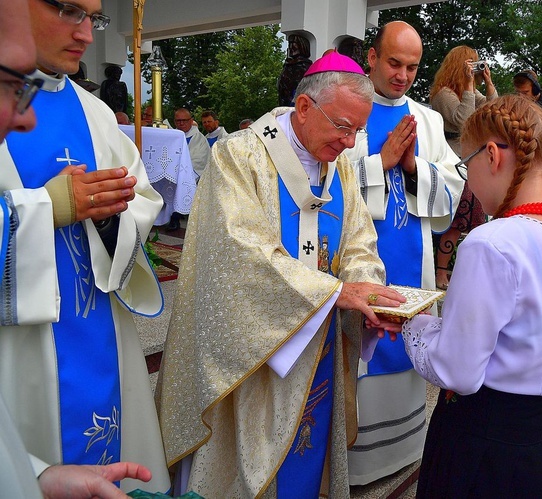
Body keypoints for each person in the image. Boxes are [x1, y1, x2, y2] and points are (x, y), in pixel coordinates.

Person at [155, 51, 405, 498]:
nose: (350, 144)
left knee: (308, 458)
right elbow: (238, 254)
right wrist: (335, 292)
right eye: (343, 127)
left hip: (321, 346)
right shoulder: (240, 156)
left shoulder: (340, 164)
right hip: (252, 357)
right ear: (305, 108)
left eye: (358, 131)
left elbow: (359, 240)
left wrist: (366, 293)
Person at [384, 94, 542, 497]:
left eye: (464, 165)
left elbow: (458, 372)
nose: (467, 180)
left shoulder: (493, 243)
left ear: (491, 155)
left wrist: (410, 323)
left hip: (485, 450)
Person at [0, 0, 169, 494]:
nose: (88, 34)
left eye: (92, 17)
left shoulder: (95, 113)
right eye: (70, 11)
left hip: (96, 321)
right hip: (21, 342)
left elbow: (143, 198)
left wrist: (114, 211)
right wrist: (44, 210)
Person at [344, 21, 464, 485]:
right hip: (357, 258)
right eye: (394, 63)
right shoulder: (347, 103)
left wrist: (415, 168)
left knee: (403, 344)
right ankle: (354, 459)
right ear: (372, 58)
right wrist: (380, 163)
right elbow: (324, 179)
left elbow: (453, 189)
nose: (403, 75)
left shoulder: (428, 120)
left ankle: (401, 450)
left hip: (412, 257)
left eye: (413, 66)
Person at [430, 45, 497, 289]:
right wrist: (469, 88)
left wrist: (488, 85)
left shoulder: (468, 92)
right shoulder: (443, 94)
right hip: (451, 163)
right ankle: (440, 273)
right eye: (470, 63)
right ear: (459, 65)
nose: (474, 68)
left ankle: (462, 272)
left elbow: (493, 112)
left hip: (469, 164)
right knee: (455, 222)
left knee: (471, 221)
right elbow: (462, 121)